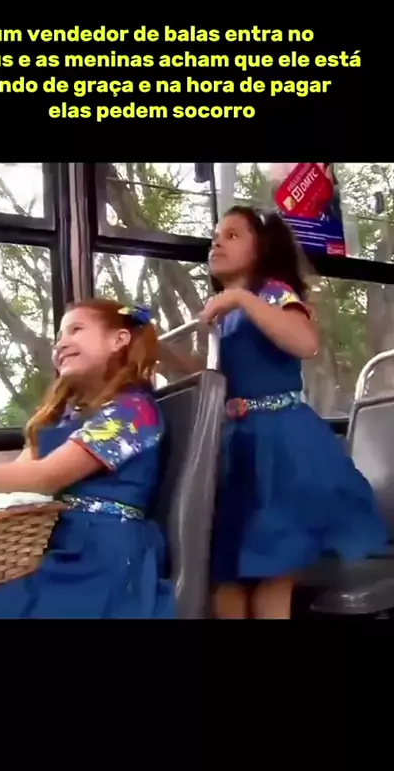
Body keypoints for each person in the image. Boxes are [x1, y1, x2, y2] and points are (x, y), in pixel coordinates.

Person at [164, 205, 389, 619]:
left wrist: (241, 297)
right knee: (227, 576)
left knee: (272, 574)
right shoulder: (225, 316)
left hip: (282, 445)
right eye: (215, 236)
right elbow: (213, 376)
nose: (217, 242)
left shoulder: (272, 294)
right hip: (237, 445)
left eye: (232, 235)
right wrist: (160, 354)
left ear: (262, 248)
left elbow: (305, 343)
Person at [0, 298, 175, 619]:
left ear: (118, 340)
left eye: (76, 330)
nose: (61, 344)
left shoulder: (133, 411)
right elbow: (15, 482)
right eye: (59, 337)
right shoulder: (63, 415)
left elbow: (45, 477)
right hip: (48, 541)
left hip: (101, 556)